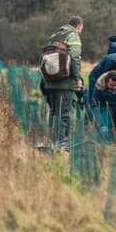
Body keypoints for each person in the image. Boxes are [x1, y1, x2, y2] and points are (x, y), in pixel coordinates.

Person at [41, 16, 84, 149]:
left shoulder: (55, 35)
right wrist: (77, 78)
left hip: (49, 80)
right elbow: (75, 58)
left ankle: (53, 140)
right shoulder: (73, 35)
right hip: (64, 81)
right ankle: (61, 142)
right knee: (64, 112)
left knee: (54, 111)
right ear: (79, 26)